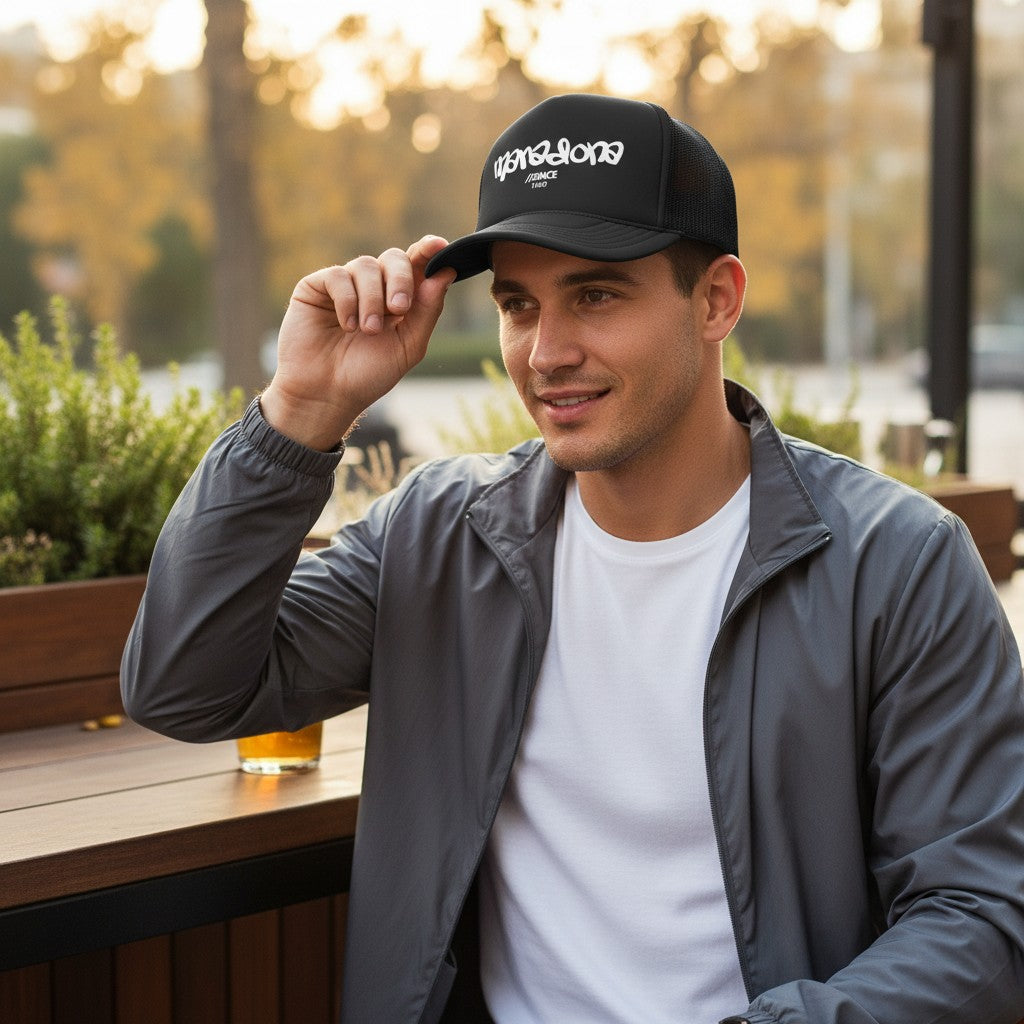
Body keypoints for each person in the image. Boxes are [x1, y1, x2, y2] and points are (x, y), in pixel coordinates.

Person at [121, 93, 1024, 1024]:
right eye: (519, 305)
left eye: (595, 295)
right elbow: (186, 688)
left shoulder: (897, 565)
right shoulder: (439, 535)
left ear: (717, 300)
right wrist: (301, 412)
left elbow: (983, 920)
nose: (545, 353)